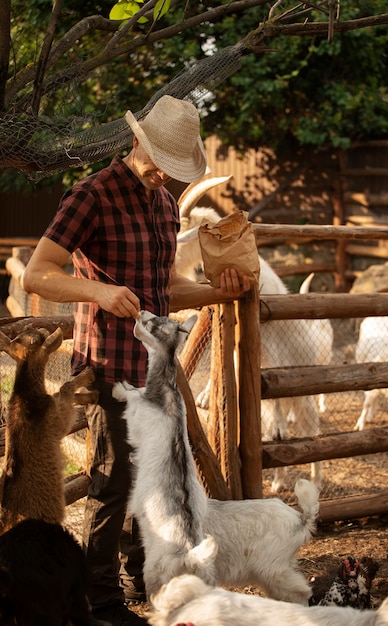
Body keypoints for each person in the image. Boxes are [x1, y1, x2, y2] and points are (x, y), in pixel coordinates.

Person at [23, 95, 250, 626]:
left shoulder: (166, 204)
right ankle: (97, 602)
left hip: (155, 373)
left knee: (151, 482)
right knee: (112, 483)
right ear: (137, 141)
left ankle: (136, 581)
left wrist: (219, 291)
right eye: (158, 163)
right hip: (107, 366)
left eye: (172, 169)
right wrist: (99, 293)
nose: (161, 175)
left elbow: (166, 290)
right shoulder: (92, 194)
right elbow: (38, 272)